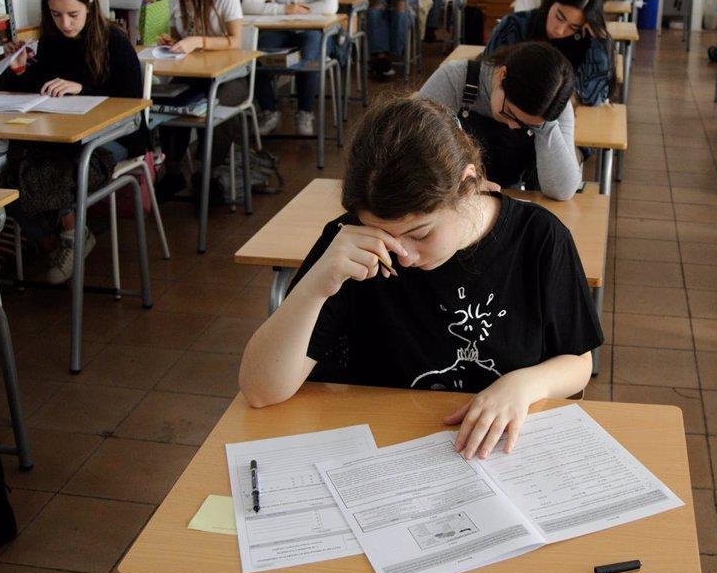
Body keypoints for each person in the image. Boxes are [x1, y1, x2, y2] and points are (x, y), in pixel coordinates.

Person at [237, 97, 601, 461]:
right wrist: (315, 286)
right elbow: (259, 390)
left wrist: (523, 384)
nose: (404, 256)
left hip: (497, 454)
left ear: (468, 185)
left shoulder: (539, 238)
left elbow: (578, 362)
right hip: (383, 453)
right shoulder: (350, 244)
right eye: (384, 235)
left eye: (420, 234)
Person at [0, 0, 147, 284]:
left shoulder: (114, 41)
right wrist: (20, 71)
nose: (65, 23)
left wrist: (83, 90)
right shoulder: (52, 42)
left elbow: (132, 103)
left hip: (116, 136)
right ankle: (60, 241)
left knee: (61, 164)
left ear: (90, 5)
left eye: (73, 14)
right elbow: (39, 88)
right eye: (56, 14)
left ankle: (69, 235)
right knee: (11, 170)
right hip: (65, 135)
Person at [418, 42, 579, 200]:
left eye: (526, 124)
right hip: (451, 196)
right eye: (509, 112)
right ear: (502, 74)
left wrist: (544, 124)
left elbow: (562, 190)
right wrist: (462, 181)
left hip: (508, 199)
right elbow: (413, 151)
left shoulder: (553, 106)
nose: (512, 125)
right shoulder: (454, 79)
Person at [157, 0, 246, 193]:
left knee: (215, 109)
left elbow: (236, 41)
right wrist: (173, 41)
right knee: (166, 103)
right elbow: (181, 34)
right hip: (193, 73)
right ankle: (173, 169)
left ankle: (206, 172)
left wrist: (197, 41)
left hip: (229, 76)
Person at [241, 0, 339, 137]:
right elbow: (248, 5)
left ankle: (304, 111)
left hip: (314, 31)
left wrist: (297, 10)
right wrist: (284, 9)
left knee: (310, 55)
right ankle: (269, 110)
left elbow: (330, 6)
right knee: (253, 53)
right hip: (282, 30)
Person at [486, 0, 613, 107]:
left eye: (573, 27)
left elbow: (591, 98)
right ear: (551, 2)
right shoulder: (515, 26)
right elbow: (487, 76)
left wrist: (598, 42)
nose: (560, 30)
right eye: (559, 17)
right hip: (506, 110)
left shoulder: (585, 41)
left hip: (562, 120)